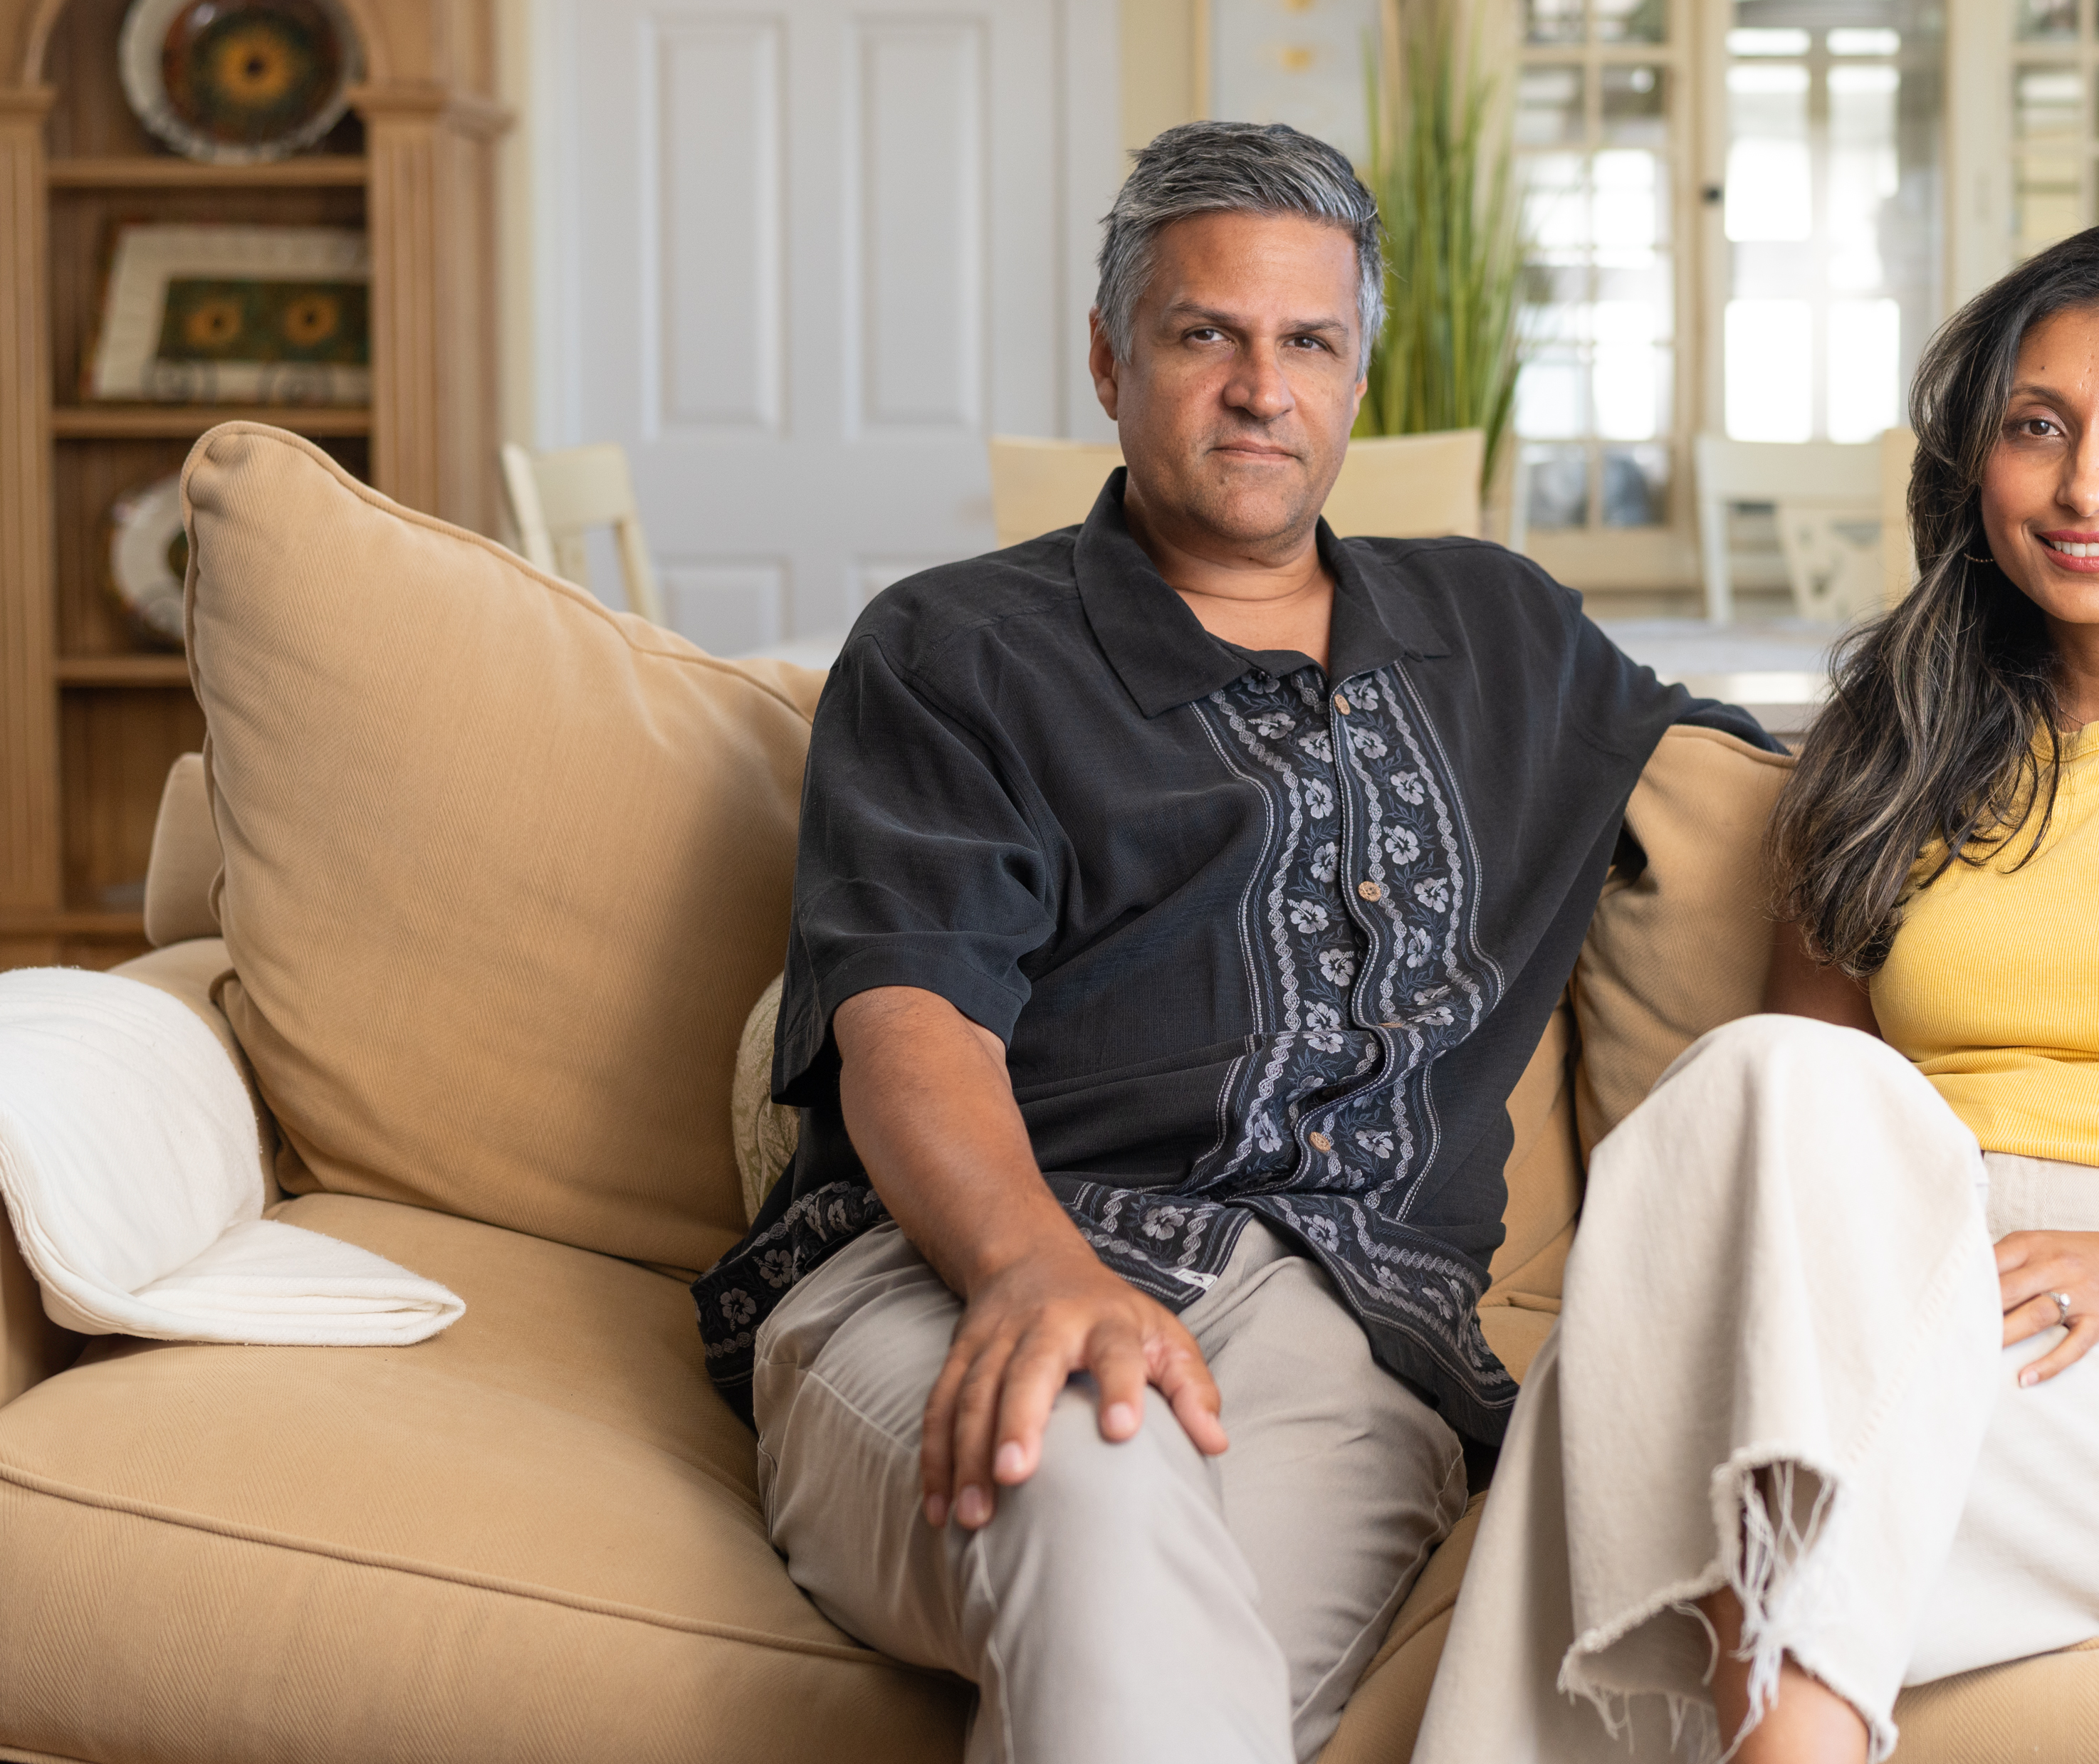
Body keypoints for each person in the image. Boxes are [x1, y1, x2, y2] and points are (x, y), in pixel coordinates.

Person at [689, 121, 1769, 1764]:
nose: (1263, 386)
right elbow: (909, 1012)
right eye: (1208, 334)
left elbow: (1809, 782)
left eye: (1309, 342)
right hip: (962, 1271)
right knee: (1094, 1464)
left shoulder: (1499, 630)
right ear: (1113, 360)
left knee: (1173, 1706)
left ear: (1355, 376)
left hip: (1352, 1335)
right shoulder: (956, 647)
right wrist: (1034, 1270)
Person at [1415, 221, 2099, 1764]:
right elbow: (1793, 1147)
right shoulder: (1893, 747)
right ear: (1977, 466)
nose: (2086, 485)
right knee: (1757, 1087)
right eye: (2036, 426)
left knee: (1680, 1460)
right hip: (1905, 1287)